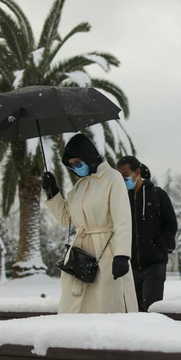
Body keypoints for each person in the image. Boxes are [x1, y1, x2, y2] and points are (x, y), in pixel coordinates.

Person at [41, 133, 138, 314]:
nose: (75, 168)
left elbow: (122, 219)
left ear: (88, 155)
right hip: (81, 255)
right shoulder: (79, 186)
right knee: (74, 305)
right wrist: (53, 193)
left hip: (107, 250)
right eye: (71, 165)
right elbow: (66, 218)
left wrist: (122, 255)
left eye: (78, 162)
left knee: (106, 303)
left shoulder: (112, 178)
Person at [116, 156, 178, 312]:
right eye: (120, 176)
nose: (123, 179)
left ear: (137, 172)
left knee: (151, 310)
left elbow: (170, 224)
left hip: (154, 264)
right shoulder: (121, 198)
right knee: (133, 311)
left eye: (126, 175)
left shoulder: (157, 194)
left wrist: (159, 247)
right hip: (130, 266)